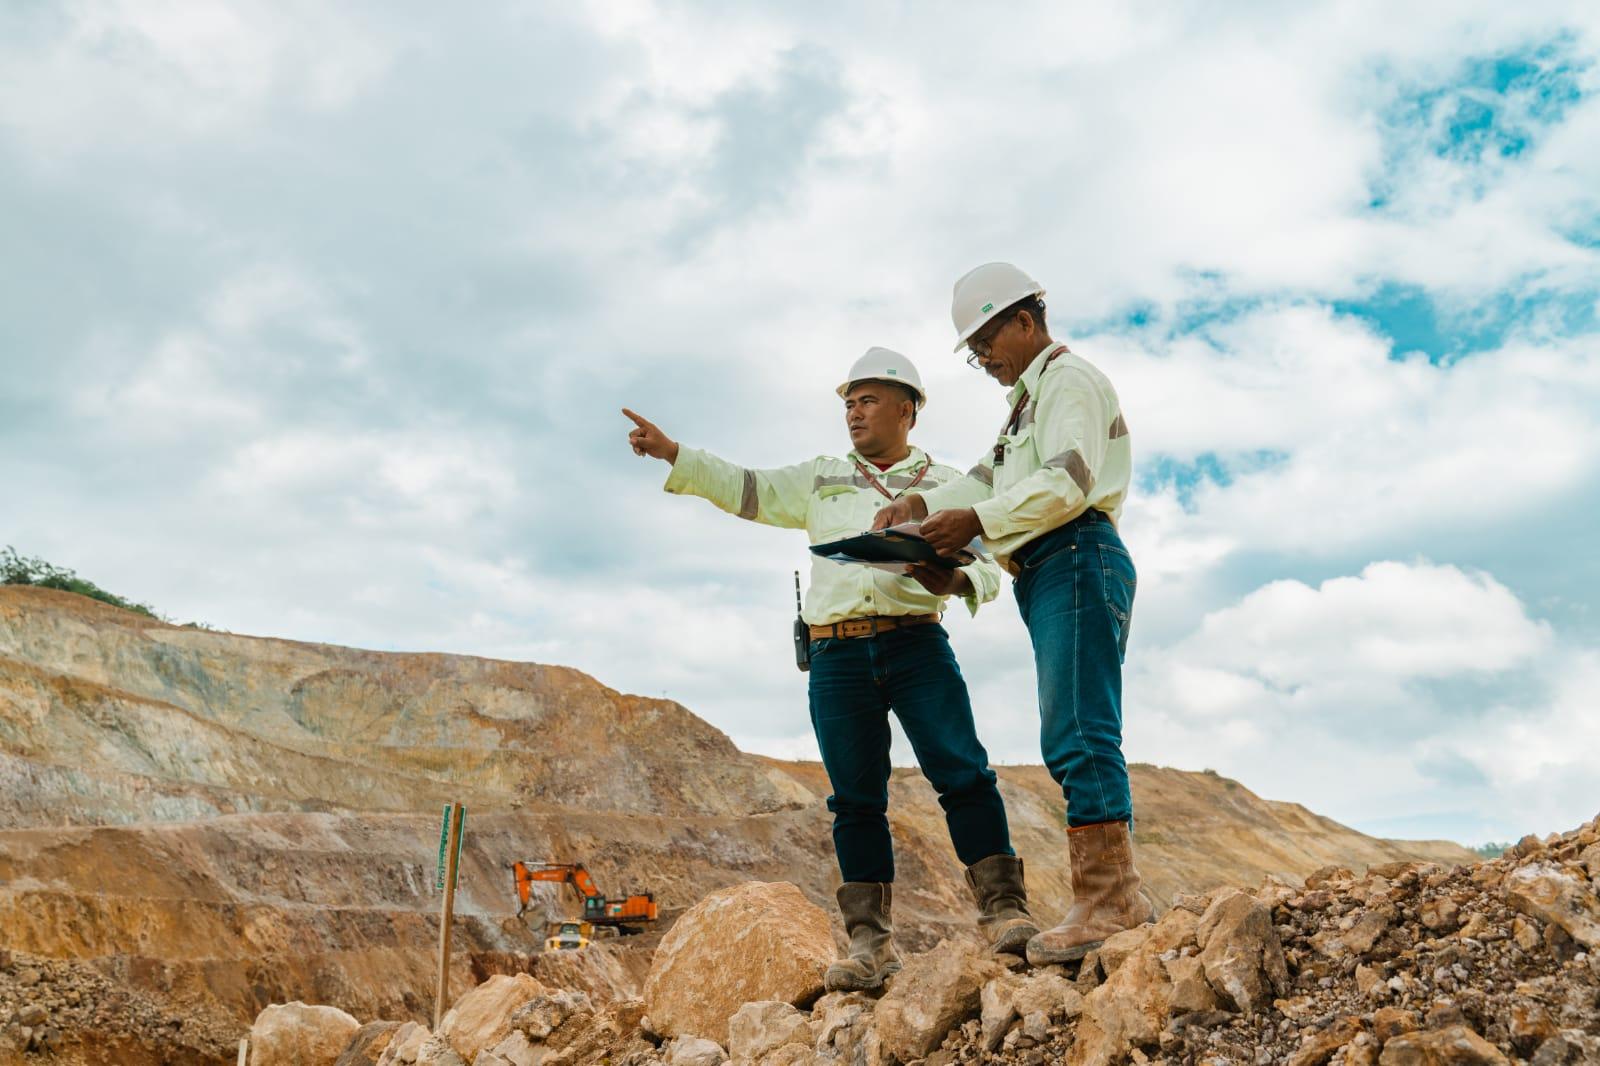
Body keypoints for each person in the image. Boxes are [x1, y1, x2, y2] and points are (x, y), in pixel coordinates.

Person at [624, 347, 1038, 990]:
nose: (853, 412)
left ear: (907, 409)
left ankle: (1005, 911)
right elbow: (748, 487)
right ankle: (871, 944)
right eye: (848, 402)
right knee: (854, 800)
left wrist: (950, 577)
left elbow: (989, 564)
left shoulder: (952, 483)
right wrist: (677, 453)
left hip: (917, 644)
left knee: (963, 772)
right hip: (836, 654)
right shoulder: (820, 478)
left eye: (868, 400)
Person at [872, 264, 1151, 965]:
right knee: (1071, 725)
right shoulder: (1025, 406)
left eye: (987, 341)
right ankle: (1105, 898)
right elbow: (987, 477)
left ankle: (1112, 901)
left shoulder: (1070, 383)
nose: (984, 359)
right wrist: (920, 507)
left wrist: (973, 520)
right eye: (974, 350)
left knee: (1079, 726)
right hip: (1049, 568)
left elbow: (1069, 480)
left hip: (1078, 554)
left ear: (1026, 320)